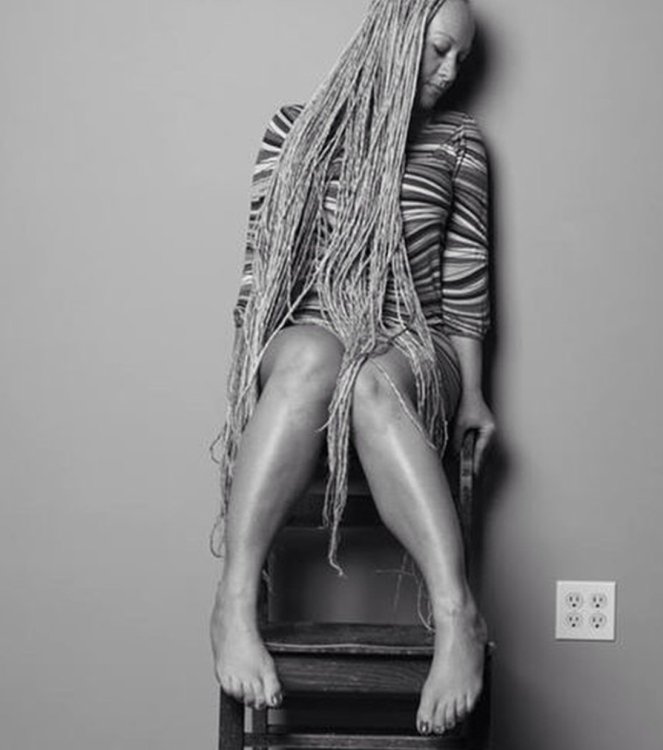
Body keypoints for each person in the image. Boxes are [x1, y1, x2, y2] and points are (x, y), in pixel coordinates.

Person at [210, 0, 495, 736]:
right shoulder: (293, 130)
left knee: (369, 376)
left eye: (461, 59)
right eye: (439, 49)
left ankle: (457, 616)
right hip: (309, 335)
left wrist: (474, 395)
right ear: (397, 35)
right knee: (314, 355)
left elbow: (465, 285)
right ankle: (233, 604)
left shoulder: (459, 143)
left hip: (410, 344)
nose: (449, 71)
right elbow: (258, 276)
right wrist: (248, 391)